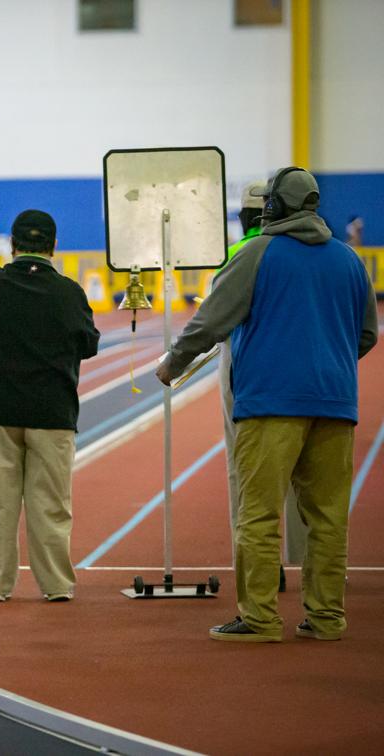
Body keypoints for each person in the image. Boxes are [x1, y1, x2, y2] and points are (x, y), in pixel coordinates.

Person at [156, 167, 378, 642]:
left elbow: (210, 321)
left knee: (257, 514)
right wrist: (328, 363)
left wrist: (173, 364)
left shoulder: (257, 253)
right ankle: (325, 618)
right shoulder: (349, 260)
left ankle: (259, 618)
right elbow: (366, 335)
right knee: (327, 517)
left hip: (270, 404)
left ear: (273, 206)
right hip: (336, 404)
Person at [0, 194, 99, 603]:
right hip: (52, 413)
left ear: (13, 246)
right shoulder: (69, 293)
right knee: (51, 506)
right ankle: (56, 585)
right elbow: (88, 345)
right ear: (53, 247)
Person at [222, 181, 307, 593]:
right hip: (307, 367)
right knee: (306, 474)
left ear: (243, 218)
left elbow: (217, 317)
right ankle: (312, 565)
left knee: (245, 470)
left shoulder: (242, 254)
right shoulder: (311, 253)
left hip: (248, 369)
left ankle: (260, 565)